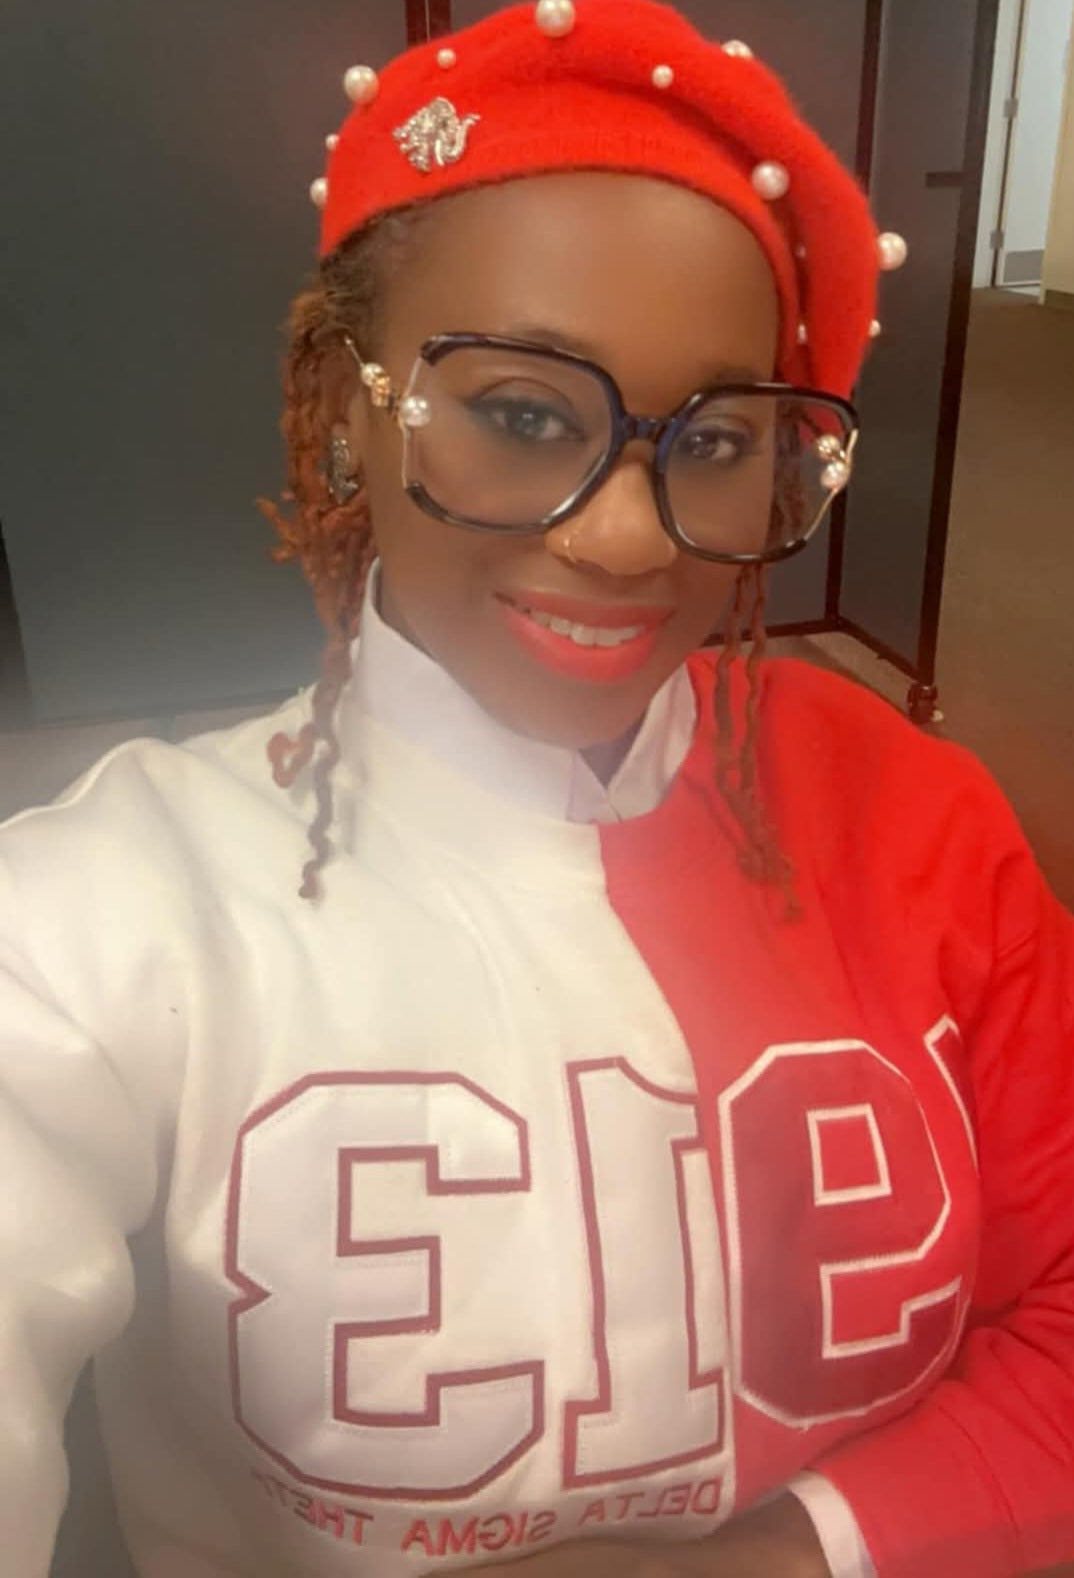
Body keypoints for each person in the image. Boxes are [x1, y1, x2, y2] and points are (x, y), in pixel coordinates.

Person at [2, 2, 1073, 1575]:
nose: (628, 537)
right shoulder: (104, 911)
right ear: (344, 401)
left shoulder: (917, 815)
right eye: (518, 414)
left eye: (713, 438)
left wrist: (768, 1557)